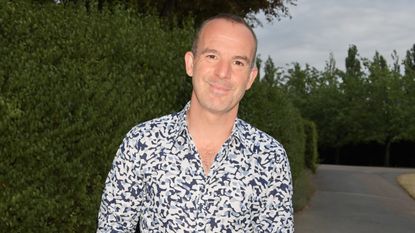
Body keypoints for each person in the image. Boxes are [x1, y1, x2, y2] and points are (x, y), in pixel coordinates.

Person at [97, 14, 294, 232]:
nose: (223, 72)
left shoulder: (270, 158)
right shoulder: (141, 143)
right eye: (212, 56)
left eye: (238, 62)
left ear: (250, 77)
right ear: (190, 63)